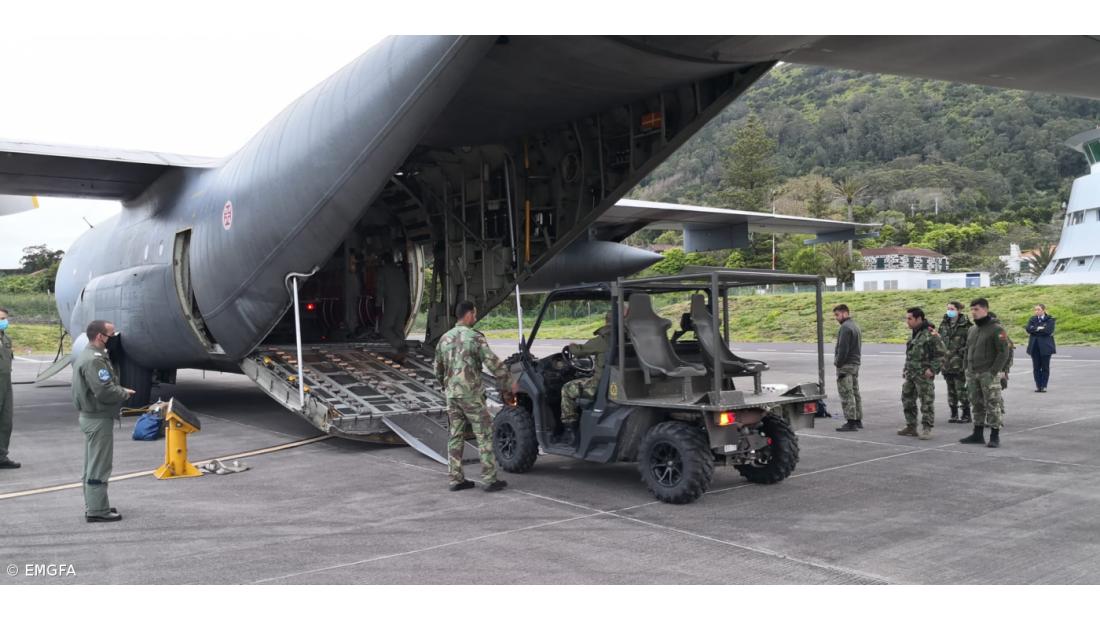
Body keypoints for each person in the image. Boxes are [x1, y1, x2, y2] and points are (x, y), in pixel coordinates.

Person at [433, 300, 516, 492]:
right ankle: (489, 479)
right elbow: (492, 363)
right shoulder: (475, 338)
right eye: (475, 314)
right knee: (484, 434)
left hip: (452, 395)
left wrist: (447, 386)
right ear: (469, 314)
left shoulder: (444, 338)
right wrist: (508, 383)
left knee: (455, 435)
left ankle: (455, 479)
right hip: (471, 395)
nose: (476, 317)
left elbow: (437, 369)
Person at [73, 320, 135, 522]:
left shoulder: (92, 355)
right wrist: (123, 393)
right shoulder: (94, 359)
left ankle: (94, 504)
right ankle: (97, 511)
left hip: (92, 417)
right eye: (111, 334)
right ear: (100, 336)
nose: (114, 338)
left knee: (92, 464)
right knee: (100, 465)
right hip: (98, 418)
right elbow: (104, 390)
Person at [959, 298, 1011, 448]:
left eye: (976, 309)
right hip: (972, 373)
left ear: (985, 310)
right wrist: (966, 368)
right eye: (972, 309)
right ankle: (977, 433)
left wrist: (993, 372)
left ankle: (995, 436)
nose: (973, 312)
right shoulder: (972, 329)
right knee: (976, 404)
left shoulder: (996, 329)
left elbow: (1003, 353)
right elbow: (967, 350)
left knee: (992, 404)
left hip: (987, 373)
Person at [559, 311, 612, 445]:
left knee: (567, 389)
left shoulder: (603, 340)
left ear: (606, 321)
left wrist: (571, 345)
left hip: (599, 385)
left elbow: (578, 351)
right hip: (614, 381)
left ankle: (570, 431)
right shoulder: (629, 337)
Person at [899, 307, 946, 440]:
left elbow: (942, 353)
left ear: (919, 319)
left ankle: (927, 428)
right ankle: (911, 426)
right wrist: (905, 368)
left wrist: (932, 369)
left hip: (923, 374)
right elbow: (911, 354)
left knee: (926, 401)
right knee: (907, 399)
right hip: (911, 374)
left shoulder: (930, 334)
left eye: (910, 318)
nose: (907, 321)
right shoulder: (914, 333)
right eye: (907, 318)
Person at [937, 301, 972, 424]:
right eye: (948, 308)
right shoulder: (943, 324)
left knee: (961, 389)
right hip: (946, 363)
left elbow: (970, 344)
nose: (949, 311)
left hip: (959, 363)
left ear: (959, 310)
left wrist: (961, 354)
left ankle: (966, 414)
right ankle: (953, 413)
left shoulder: (967, 326)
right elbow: (939, 341)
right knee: (950, 390)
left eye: (952, 309)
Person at [833, 304, 864, 432]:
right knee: (855, 392)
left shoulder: (845, 328)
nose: (836, 318)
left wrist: (838, 363)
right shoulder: (855, 325)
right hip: (855, 364)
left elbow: (843, 348)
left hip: (846, 365)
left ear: (845, 313)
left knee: (846, 393)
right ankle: (858, 420)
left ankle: (850, 422)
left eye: (837, 315)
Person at [376, 253, 410, 362]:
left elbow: (380, 288)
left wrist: (378, 304)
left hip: (392, 302)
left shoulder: (383, 271)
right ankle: (401, 354)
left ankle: (400, 346)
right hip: (404, 301)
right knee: (398, 328)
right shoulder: (399, 271)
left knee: (385, 328)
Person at [0, 307, 19, 469]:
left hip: (6, 384)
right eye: (0, 319)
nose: (3, 322)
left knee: (6, 421)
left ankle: (1, 456)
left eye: (4, 319)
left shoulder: (6, 339)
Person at [1025, 303, 1056, 393]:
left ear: (1043, 310)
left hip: (1046, 347)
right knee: (1036, 367)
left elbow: (1048, 331)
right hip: (1034, 347)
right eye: (1035, 310)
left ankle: (1044, 386)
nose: (1036, 311)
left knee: (1045, 367)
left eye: (1038, 309)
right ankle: (1038, 386)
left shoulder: (1050, 319)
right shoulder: (1032, 319)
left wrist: (1035, 330)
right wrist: (1039, 328)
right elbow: (1028, 329)